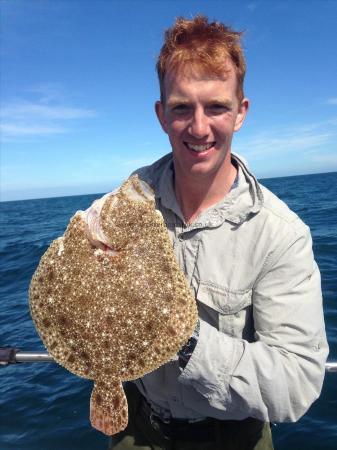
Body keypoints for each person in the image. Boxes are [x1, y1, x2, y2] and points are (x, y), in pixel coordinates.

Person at [105, 15, 329, 450]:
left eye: (217, 107)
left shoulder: (280, 235)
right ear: (161, 115)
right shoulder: (123, 204)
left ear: (241, 113)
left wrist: (181, 336)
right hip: (137, 424)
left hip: (232, 437)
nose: (200, 127)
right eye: (182, 107)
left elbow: (296, 385)